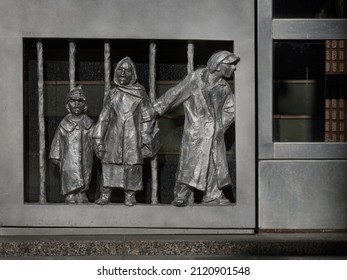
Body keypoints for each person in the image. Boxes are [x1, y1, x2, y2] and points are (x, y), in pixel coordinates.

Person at [153, 50, 240, 206]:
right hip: (195, 132)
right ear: (219, 66)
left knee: (214, 163)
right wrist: (156, 109)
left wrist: (219, 126)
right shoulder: (196, 78)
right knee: (189, 163)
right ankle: (181, 195)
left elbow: (230, 110)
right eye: (231, 64)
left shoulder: (224, 87)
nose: (234, 68)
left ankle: (213, 195)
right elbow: (175, 93)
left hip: (215, 134)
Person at [93, 57, 155, 206]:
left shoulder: (140, 93)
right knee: (110, 166)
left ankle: (130, 195)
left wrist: (146, 136)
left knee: (132, 167)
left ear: (132, 74)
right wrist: (98, 138)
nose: (123, 72)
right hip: (113, 137)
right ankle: (105, 194)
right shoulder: (112, 93)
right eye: (120, 69)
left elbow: (147, 117)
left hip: (133, 138)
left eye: (127, 70)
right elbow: (104, 117)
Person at [50, 86, 95, 204]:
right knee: (69, 175)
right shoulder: (63, 124)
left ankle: (82, 192)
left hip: (86, 159)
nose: (76, 104)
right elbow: (56, 146)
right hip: (68, 162)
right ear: (67, 104)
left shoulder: (89, 124)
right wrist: (58, 158)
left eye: (80, 101)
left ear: (85, 105)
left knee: (86, 174)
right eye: (73, 101)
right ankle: (70, 193)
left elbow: (97, 142)